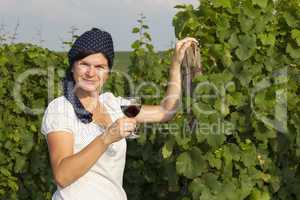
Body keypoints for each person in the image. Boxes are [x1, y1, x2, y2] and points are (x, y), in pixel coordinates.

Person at [41, 27, 198, 200]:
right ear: (73, 67)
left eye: (100, 66)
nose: (91, 73)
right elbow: (62, 176)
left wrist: (175, 65)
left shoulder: (115, 105)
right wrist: (107, 137)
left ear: (108, 73)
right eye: (84, 64)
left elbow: (165, 111)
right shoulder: (61, 109)